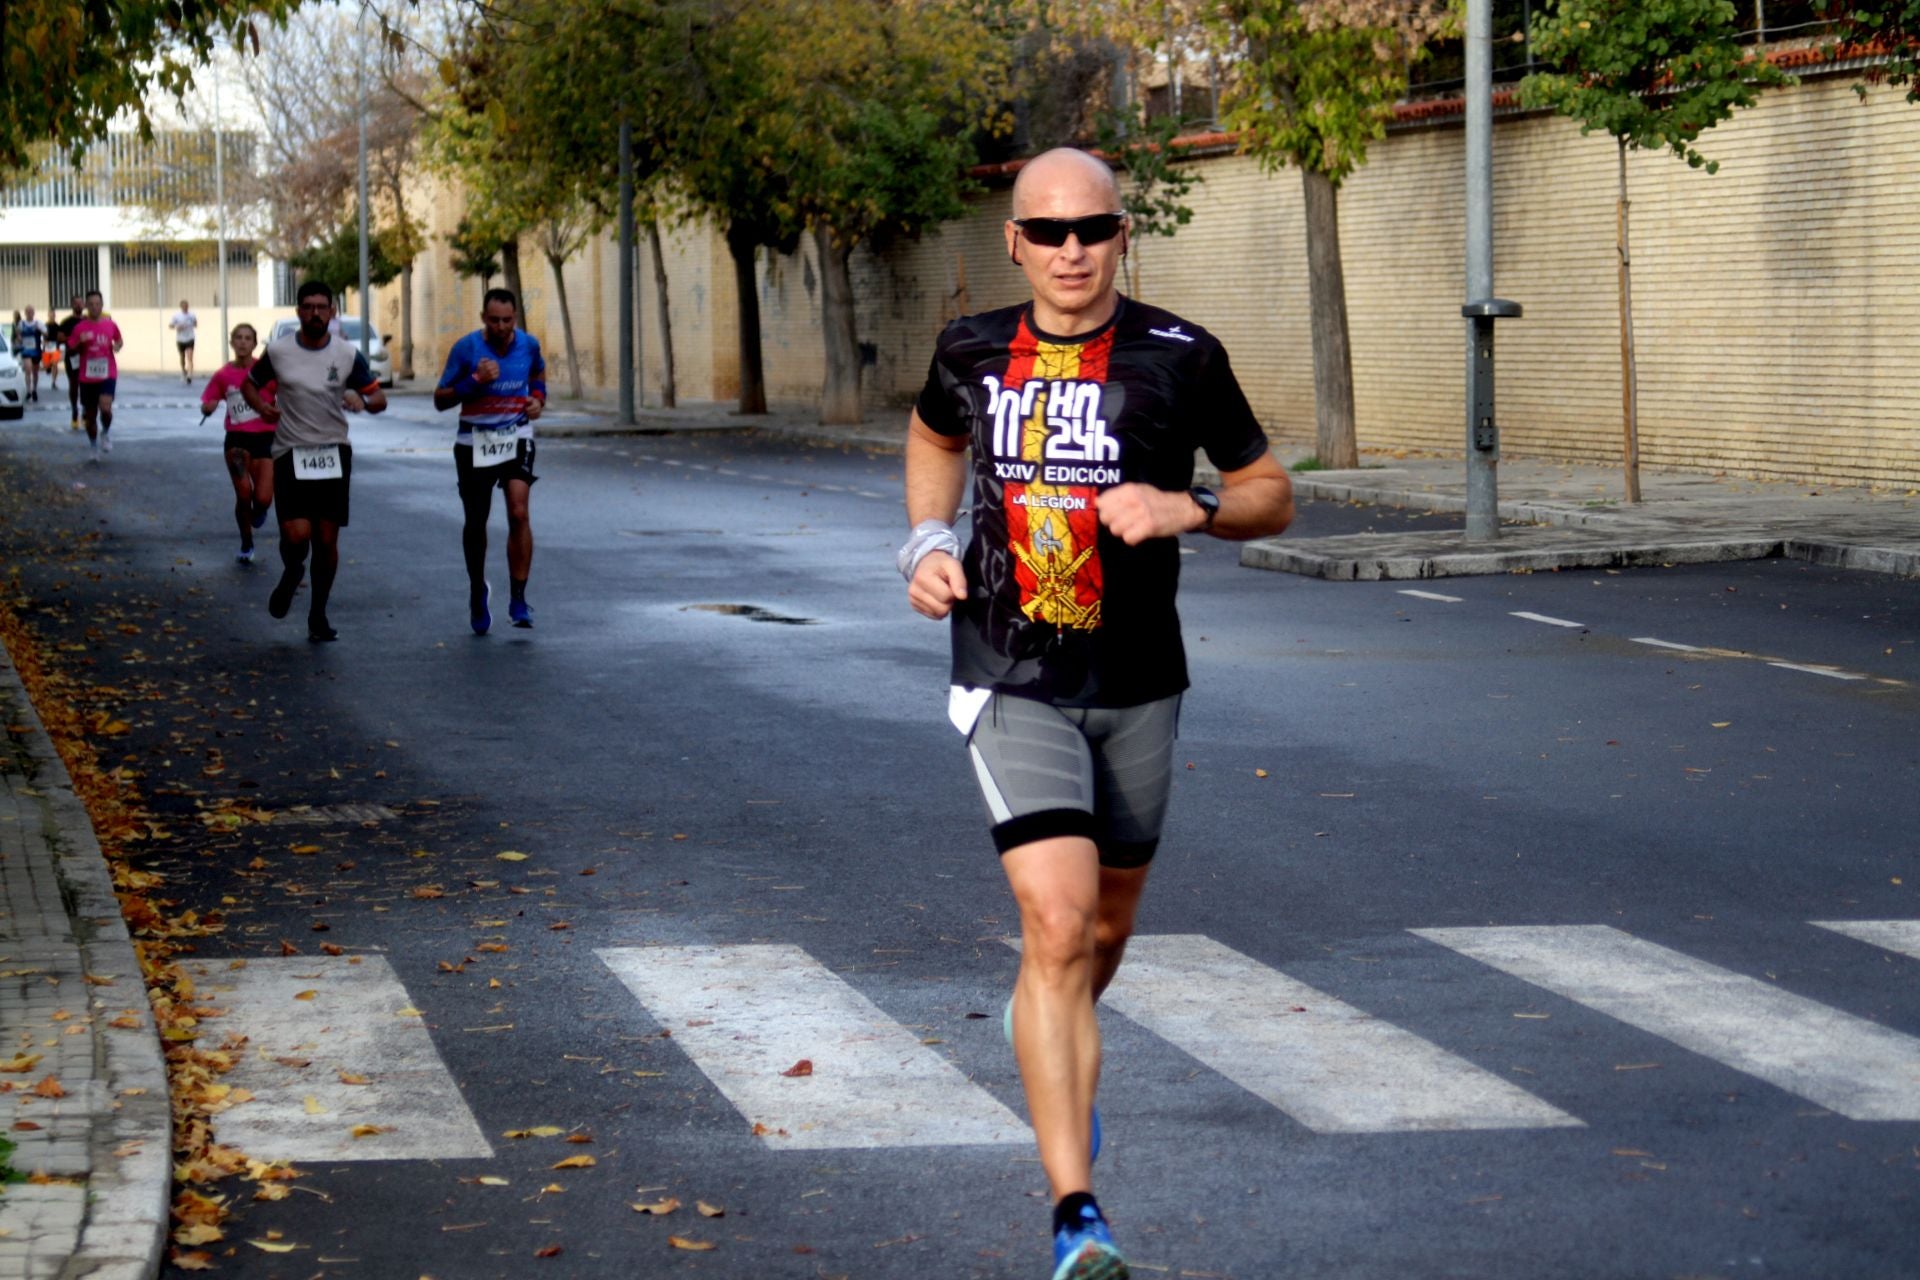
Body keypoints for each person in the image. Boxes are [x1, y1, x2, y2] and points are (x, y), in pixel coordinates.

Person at [901, 148, 1293, 1280]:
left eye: (1096, 228)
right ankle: (1077, 1211)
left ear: (1124, 235)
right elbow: (933, 437)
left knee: (1099, 940)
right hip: (1010, 668)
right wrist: (927, 541)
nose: (1073, 249)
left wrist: (1193, 506)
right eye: (1050, 230)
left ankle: (1054, 1050)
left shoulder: (1181, 355)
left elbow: (1272, 491)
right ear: (1014, 243)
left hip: (1139, 681)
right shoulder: (971, 349)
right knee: (1060, 924)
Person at [240, 282, 387, 641]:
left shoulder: (347, 355)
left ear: (332, 311)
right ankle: (292, 571)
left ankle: (318, 613)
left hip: (333, 451)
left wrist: (363, 403)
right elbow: (248, 384)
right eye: (308, 306)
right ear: (298, 311)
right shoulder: (278, 351)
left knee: (325, 539)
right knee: (297, 534)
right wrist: (261, 407)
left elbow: (379, 397)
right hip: (290, 450)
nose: (316, 313)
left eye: (322, 306)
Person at [432, 287, 546, 633]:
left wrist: (539, 400)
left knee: (519, 511)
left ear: (515, 319)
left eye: (507, 320)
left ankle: (518, 598)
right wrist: (475, 381)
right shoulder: (466, 348)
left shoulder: (529, 344)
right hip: (474, 441)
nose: (500, 326)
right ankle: (477, 589)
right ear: (483, 318)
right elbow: (440, 399)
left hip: (516, 436)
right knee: (476, 521)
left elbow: (538, 376)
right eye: (494, 320)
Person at [201, 323, 276, 564]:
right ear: (231, 342)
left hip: (266, 437)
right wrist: (208, 407)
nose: (243, 342)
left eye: (248, 338)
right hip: (237, 439)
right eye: (238, 338)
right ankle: (246, 541)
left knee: (263, 498)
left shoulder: (265, 371)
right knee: (244, 493)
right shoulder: (223, 375)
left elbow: (287, 392)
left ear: (255, 344)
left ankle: (257, 513)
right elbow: (208, 400)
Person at [67, 291, 122, 461]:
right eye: (91, 304)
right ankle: (93, 446)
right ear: (86, 306)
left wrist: (117, 346)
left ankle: (105, 433)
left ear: (102, 305)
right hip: (87, 376)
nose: (94, 307)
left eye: (97, 304)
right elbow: (71, 349)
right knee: (90, 416)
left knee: (106, 408)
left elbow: (119, 340)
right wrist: (78, 342)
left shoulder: (110, 325)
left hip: (108, 373)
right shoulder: (79, 328)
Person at [58, 295, 85, 428]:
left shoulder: (88, 320)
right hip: (72, 357)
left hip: (87, 357)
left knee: (86, 385)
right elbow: (60, 337)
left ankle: (85, 411)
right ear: (72, 305)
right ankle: (75, 410)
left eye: (81, 303)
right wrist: (75, 338)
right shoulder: (66, 322)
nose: (79, 306)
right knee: (74, 384)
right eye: (76, 304)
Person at [15, 306, 44, 403]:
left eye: (31, 311)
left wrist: (40, 330)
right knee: (28, 369)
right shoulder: (21, 323)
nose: (29, 313)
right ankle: (28, 391)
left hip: (36, 350)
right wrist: (19, 338)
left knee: (35, 372)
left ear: (34, 312)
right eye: (28, 311)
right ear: (25, 313)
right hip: (26, 350)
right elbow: (17, 333)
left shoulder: (38, 323)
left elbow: (46, 334)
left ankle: (34, 389)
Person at [169, 300, 198, 383]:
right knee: (182, 357)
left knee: (190, 357)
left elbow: (196, 324)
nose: (186, 307)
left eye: (187, 306)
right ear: (181, 307)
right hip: (180, 339)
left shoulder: (192, 315)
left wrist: (192, 324)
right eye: (184, 306)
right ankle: (183, 370)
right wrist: (177, 327)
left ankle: (189, 375)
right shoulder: (176, 316)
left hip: (190, 338)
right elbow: (170, 325)